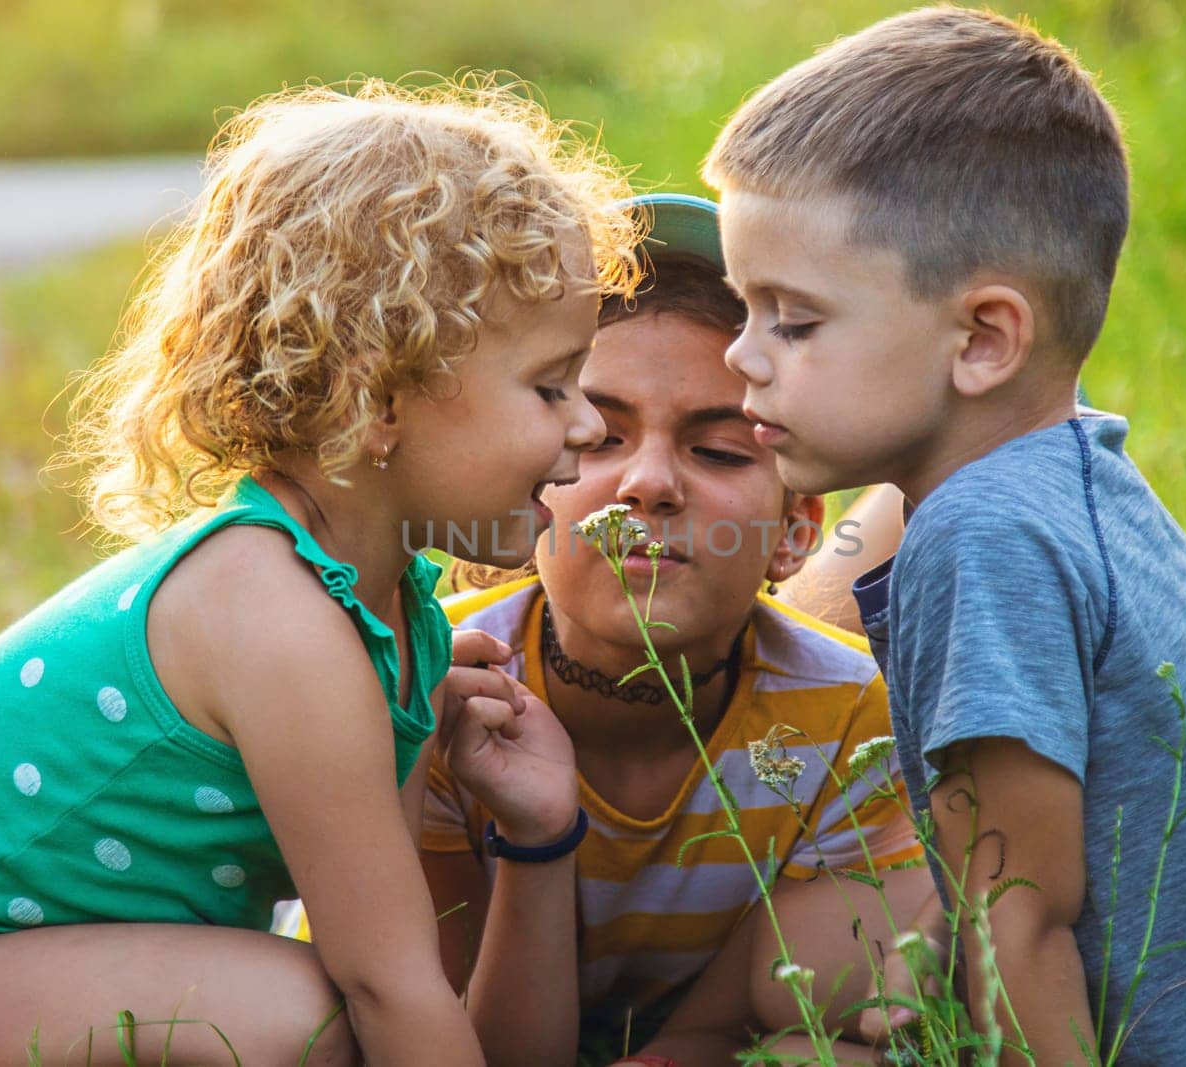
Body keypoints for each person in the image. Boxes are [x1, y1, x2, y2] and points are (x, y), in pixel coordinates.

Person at [0, 80, 639, 1066]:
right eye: (551, 386)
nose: (588, 425)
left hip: (6, 983)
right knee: (300, 1016)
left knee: (315, 1001)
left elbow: (399, 962)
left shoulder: (396, 618)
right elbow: (383, 991)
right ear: (379, 395)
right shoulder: (271, 611)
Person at [704, 7, 1186, 1064]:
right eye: (742, 309)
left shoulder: (979, 535)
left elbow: (1022, 922)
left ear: (985, 338)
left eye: (792, 320)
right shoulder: (1065, 463)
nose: (741, 357)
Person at [279, 194, 934, 1066]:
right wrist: (538, 837)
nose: (648, 484)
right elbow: (439, 1039)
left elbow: (828, 1011)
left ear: (795, 531)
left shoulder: (854, 721)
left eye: (721, 450)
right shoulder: (428, 695)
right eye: (594, 436)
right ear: (526, 481)